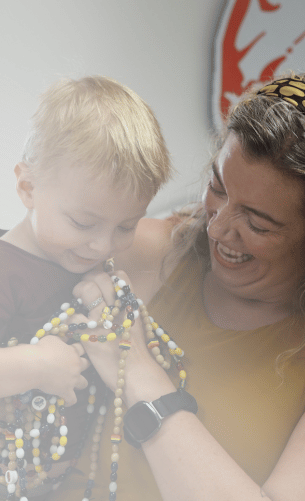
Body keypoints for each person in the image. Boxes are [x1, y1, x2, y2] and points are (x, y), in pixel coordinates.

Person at [48, 71, 305, 501]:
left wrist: (140, 374)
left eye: (257, 223)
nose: (218, 228)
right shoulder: (153, 253)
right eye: (217, 188)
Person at [0, 75, 171, 500]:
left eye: (126, 226)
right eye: (83, 222)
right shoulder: (7, 270)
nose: (102, 245)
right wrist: (33, 365)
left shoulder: (90, 266)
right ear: (28, 188)